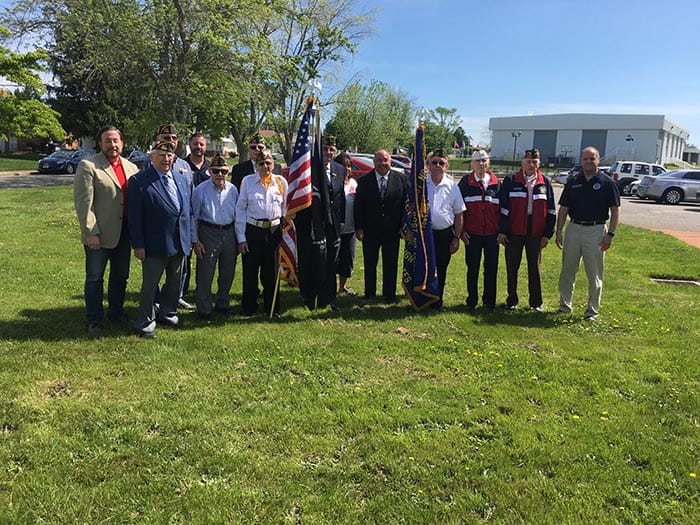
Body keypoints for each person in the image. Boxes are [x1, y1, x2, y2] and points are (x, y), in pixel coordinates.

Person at [73, 125, 139, 338]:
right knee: (95, 278)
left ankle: (116, 313)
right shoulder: (88, 166)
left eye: (116, 140)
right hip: (99, 234)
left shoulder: (131, 168)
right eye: (107, 140)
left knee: (120, 276)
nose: (112, 145)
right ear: (100, 143)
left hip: (124, 232)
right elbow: (84, 203)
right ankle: (94, 319)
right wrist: (91, 231)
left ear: (122, 143)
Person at [128, 140, 195, 338]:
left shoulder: (180, 178)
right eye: (161, 155)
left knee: (175, 282)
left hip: (179, 242)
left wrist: (189, 237)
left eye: (169, 155)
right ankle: (146, 322)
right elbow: (135, 217)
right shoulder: (139, 181)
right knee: (150, 286)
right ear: (151, 157)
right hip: (154, 244)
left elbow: (186, 211)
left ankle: (168, 312)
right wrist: (138, 244)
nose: (166, 159)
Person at [555, 146, 620, 321]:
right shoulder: (573, 182)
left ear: (598, 160)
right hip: (574, 229)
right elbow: (563, 208)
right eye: (585, 159)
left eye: (592, 158)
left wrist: (610, 234)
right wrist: (559, 231)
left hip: (596, 230)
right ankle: (564, 306)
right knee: (568, 270)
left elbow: (615, 211)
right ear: (581, 161)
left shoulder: (608, 183)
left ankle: (592, 311)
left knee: (594, 272)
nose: (589, 162)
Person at [144, 122, 196, 310]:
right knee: (155, 272)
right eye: (166, 138)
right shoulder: (148, 163)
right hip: (158, 230)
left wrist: (191, 235)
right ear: (158, 140)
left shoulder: (184, 165)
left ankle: (174, 300)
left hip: (181, 230)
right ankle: (154, 304)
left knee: (179, 270)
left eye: (174, 138)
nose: (171, 141)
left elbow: (189, 202)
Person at [499, 149, 556, 311]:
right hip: (514, 230)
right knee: (512, 266)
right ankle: (511, 300)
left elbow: (551, 210)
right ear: (522, 163)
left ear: (539, 164)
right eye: (528, 161)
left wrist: (547, 234)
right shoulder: (511, 180)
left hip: (536, 231)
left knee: (534, 267)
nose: (531, 165)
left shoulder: (544, 181)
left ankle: (536, 303)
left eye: (535, 162)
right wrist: (503, 231)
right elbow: (504, 208)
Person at [235, 150, 288, 318]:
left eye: (268, 163)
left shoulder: (280, 182)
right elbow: (240, 209)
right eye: (261, 164)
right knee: (250, 271)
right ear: (256, 166)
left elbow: (285, 208)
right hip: (253, 230)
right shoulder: (248, 182)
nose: (265, 166)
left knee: (271, 272)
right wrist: (241, 238)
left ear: (273, 164)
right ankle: (249, 307)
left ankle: (272, 308)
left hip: (273, 231)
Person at [354, 149, 408, 303]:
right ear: (374, 162)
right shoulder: (364, 181)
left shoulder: (401, 180)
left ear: (390, 161)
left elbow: (406, 205)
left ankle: (389, 294)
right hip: (370, 230)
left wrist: (405, 226)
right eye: (379, 160)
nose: (382, 163)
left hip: (393, 230)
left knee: (391, 263)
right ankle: (369, 292)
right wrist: (358, 227)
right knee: (370, 262)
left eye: (385, 160)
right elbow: (358, 206)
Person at [192, 154, 238, 320]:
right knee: (205, 272)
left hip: (229, 232)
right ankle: (204, 308)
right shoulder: (200, 190)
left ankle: (222, 303)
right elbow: (194, 217)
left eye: (224, 171)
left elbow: (238, 214)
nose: (220, 175)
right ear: (209, 171)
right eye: (216, 171)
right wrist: (196, 241)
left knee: (228, 271)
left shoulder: (233, 190)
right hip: (208, 232)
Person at [458, 149, 501, 310]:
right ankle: (472, 301)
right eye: (477, 161)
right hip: (472, 234)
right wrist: (461, 232)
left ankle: (489, 302)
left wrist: (502, 231)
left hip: (492, 235)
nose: (481, 164)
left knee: (491, 270)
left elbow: (504, 209)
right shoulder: (465, 182)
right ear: (472, 164)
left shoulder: (496, 183)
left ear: (488, 162)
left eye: (484, 160)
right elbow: (459, 209)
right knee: (472, 268)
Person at [426, 148, 465, 310]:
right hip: (424, 234)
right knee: (423, 267)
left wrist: (456, 237)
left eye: (441, 163)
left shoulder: (452, 187)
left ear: (446, 166)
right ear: (428, 165)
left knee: (441, 268)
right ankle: (420, 299)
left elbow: (459, 214)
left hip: (444, 234)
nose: (437, 165)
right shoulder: (420, 184)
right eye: (434, 162)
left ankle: (437, 301)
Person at [317, 135, 346, 311]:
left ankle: (331, 297)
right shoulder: (311, 169)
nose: (328, 152)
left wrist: (342, 219)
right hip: (317, 222)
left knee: (332, 262)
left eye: (331, 150)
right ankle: (317, 296)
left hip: (334, 223)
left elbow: (340, 197)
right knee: (318, 260)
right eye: (325, 149)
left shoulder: (339, 169)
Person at [335, 152, 358, 296]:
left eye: (349, 166)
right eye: (344, 166)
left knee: (347, 259)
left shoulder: (354, 184)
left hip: (350, 230)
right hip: (334, 230)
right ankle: (329, 287)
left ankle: (342, 287)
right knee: (332, 260)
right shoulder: (332, 183)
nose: (347, 169)